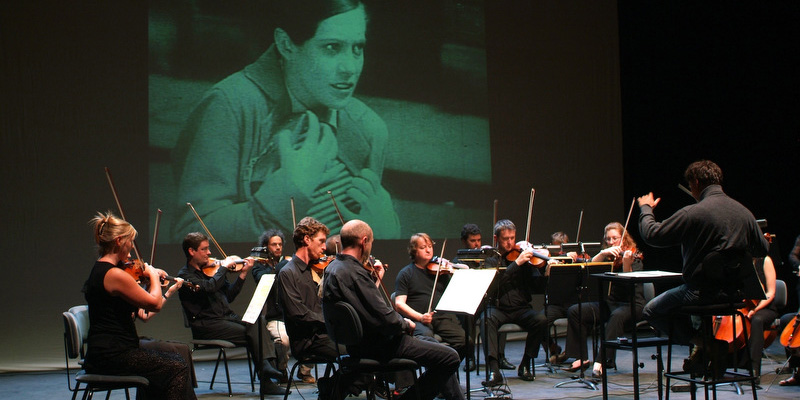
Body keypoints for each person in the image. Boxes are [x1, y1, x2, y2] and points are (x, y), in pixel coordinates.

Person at [171, 0, 399, 242]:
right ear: (286, 44)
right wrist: (288, 191)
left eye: (357, 48)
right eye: (332, 47)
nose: (350, 68)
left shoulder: (369, 129)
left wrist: (384, 235)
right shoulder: (229, 107)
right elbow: (188, 236)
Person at [638, 160, 770, 375]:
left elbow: (652, 235)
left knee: (651, 310)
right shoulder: (744, 212)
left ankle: (704, 342)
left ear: (696, 182)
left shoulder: (694, 212)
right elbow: (762, 250)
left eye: (691, 186)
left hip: (699, 293)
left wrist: (645, 209)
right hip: (734, 296)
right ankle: (704, 351)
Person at [323, 220, 465, 400]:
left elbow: (365, 309)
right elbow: (386, 319)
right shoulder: (355, 273)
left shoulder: (333, 268)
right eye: (371, 243)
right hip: (382, 345)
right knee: (450, 357)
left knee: (436, 348)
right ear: (364, 241)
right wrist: (406, 324)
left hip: (359, 344)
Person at [82, 212, 195, 400]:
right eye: (130, 241)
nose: (131, 248)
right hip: (113, 355)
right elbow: (155, 304)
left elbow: (142, 311)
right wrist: (151, 275)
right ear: (119, 240)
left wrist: (150, 283)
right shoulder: (114, 275)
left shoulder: (106, 270)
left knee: (172, 360)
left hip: (113, 350)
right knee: (176, 366)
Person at [177, 232, 284, 395]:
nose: (209, 253)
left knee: (257, 321)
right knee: (254, 334)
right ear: (192, 251)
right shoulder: (185, 275)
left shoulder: (211, 271)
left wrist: (242, 274)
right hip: (206, 325)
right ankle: (266, 375)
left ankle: (266, 369)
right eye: (204, 249)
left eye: (208, 248)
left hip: (226, 319)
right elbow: (209, 287)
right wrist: (224, 269)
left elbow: (229, 296)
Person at [559, 222, 645, 377]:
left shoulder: (634, 257)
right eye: (608, 239)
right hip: (611, 303)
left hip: (632, 304)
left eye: (615, 238)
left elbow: (630, 287)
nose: (612, 242)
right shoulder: (608, 257)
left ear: (623, 238)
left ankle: (601, 362)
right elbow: (590, 268)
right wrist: (604, 253)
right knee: (575, 311)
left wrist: (627, 264)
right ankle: (581, 357)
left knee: (617, 316)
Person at [481, 219, 550, 385]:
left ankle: (525, 363)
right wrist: (516, 264)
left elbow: (537, 287)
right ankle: (494, 370)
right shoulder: (490, 260)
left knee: (541, 320)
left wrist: (544, 271)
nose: (510, 242)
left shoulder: (523, 258)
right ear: (496, 239)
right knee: (486, 319)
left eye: (512, 238)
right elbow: (493, 287)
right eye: (505, 239)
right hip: (498, 308)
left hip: (521, 308)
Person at [275, 217, 340, 384]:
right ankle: (333, 388)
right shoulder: (288, 273)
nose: (325, 247)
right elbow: (300, 315)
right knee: (357, 351)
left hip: (322, 336)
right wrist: (332, 323)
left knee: (366, 345)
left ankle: (334, 387)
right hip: (308, 342)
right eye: (321, 241)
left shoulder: (311, 270)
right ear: (306, 239)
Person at [394, 233, 468, 362]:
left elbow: (452, 294)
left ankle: (446, 371)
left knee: (464, 341)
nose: (428, 250)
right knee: (429, 342)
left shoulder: (441, 272)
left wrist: (451, 272)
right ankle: (435, 375)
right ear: (414, 251)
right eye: (423, 247)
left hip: (440, 317)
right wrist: (420, 317)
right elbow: (399, 304)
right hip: (416, 319)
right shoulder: (406, 273)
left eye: (430, 246)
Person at [251, 229, 302, 383]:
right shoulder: (259, 267)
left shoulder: (288, 263)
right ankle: (282, 370)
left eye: (280, 244)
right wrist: (282, 265)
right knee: (283, 340)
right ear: (266, 247)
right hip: (276, 317)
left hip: (294, 314)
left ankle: (305, 371)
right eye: (274, 245)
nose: (278, 247)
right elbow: (265, 280)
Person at [745, 255, 778, 382]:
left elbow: (771, 293)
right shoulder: (740, 261)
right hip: (745, 305)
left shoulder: (765, 260)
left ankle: (754, 369)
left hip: (766, 308)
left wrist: (755, 309)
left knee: (757, 320)